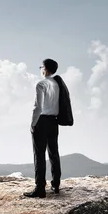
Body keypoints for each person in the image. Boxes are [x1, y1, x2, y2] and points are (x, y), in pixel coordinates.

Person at [24, 58, 62, 198]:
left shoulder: (41, 84)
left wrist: (33, 124)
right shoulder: (57, 84)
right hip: (54, 121)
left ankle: (40, 188)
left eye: (41, 67)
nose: (40, 69)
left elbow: (38, 107)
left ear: (44, 69)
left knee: (39, 155)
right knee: (54, 153)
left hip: (42, 121)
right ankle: (56, 185)